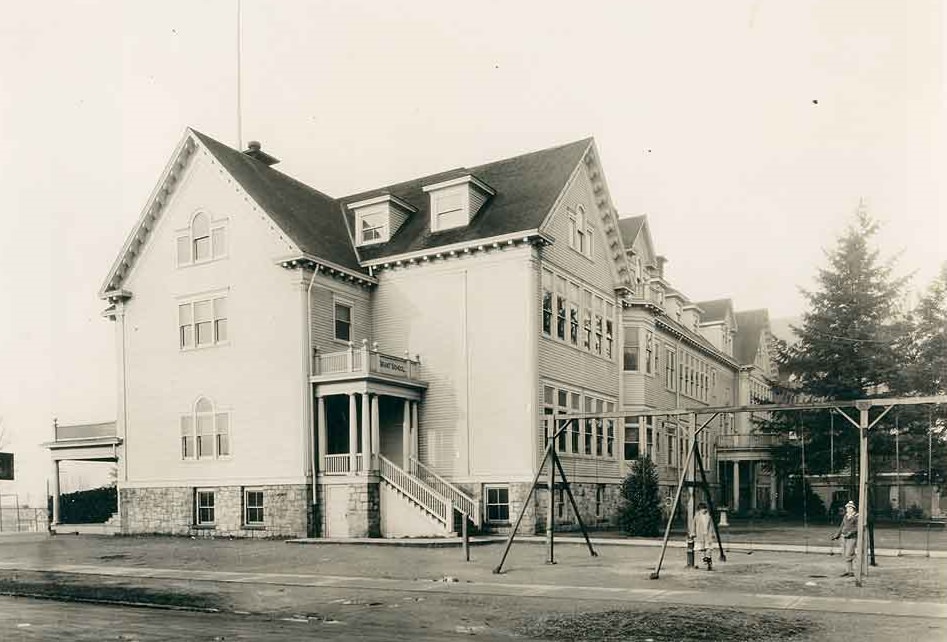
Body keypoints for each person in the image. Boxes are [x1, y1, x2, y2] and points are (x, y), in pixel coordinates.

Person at [831, 500, 859, 577]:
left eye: (850, 508)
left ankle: (850, 571)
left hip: (851, 538)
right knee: (844, 554)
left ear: (853, 508)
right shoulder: (846, 516)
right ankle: (848, 571)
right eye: (847, 507)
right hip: (843, 537)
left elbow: (857, 528)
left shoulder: (857, 516)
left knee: (849, 553)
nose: (848, 509)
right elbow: (841, 526)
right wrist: (837, 535)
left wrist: (850, 533)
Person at [693, 502, 716, 570]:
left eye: (705, 509)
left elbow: (711, 525)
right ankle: (700, 561)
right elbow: (693, 525)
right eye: (703, 509)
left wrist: (712, 533)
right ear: (699, 510)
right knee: (700, 548)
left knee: (708, 548)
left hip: (707, 534)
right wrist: (693, 532)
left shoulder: (708, 516)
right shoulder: (697, 516)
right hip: (700, 534)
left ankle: (709, 561)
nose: (704, 510)